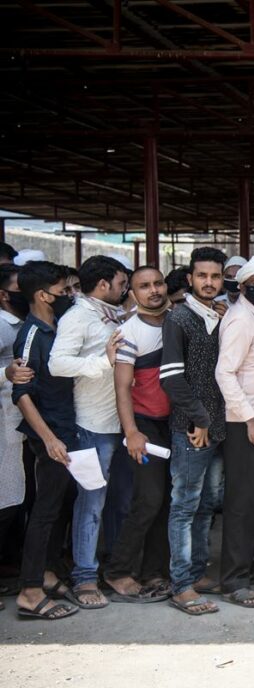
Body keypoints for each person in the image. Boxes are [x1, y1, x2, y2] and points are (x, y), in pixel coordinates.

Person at [48, 255, 128, 610]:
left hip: (121, 424)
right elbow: (57, 363)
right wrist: (103, 363)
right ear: (103, 285)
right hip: (91, 426)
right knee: (91, 505)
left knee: (119, 503)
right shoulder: (78, 316)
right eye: (122, 284)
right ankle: (84, 578)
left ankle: (113, 568)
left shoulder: (110, 313)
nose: (125, 289)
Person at [161, 247, 228, 616]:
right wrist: (199, 420)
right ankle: (181, 585)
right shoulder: (179, 319)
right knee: (185, 506)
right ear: (190, 278)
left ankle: (198, 574)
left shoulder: (218, 316)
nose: (208, 282)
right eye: (202, 276)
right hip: (191, 429)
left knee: (207, 505)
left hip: (217, 429)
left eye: (215, 276)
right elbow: (171, 379)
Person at [12, 261, 78, 620]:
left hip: (66, 429)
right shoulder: (33, 334)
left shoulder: (57, 328)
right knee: (45, 512)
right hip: (50, 433)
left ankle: (48, 574)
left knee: (61, 507)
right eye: (64, 291)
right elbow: (22, 394)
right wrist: (50, 439)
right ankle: (30, 590)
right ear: (42, 295)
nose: (69, 296)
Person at [215, 256, 254, 609]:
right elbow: (225, 374)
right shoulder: (240, 320)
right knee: (241, 503)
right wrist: (252, 419)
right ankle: (234, 581)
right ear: (241, 287)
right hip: (246, 423)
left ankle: (247, 567)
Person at [105, 266, 173, 604]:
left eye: (158, 283)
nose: (153, 291)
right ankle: (117, 571)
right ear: (132, 294)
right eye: (144, 286)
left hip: (172, 423)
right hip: (144, 424)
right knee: (148, 499)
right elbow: (122, 388)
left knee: (164, 502)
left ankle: (154, 571)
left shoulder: (177, 321)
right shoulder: (128, 332)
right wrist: (131, 432)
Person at [0, 264, 27, 557]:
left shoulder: (22, 323)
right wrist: (4, 373)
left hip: (16, 424)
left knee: (15, 501)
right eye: (21, 290)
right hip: (5, 423)